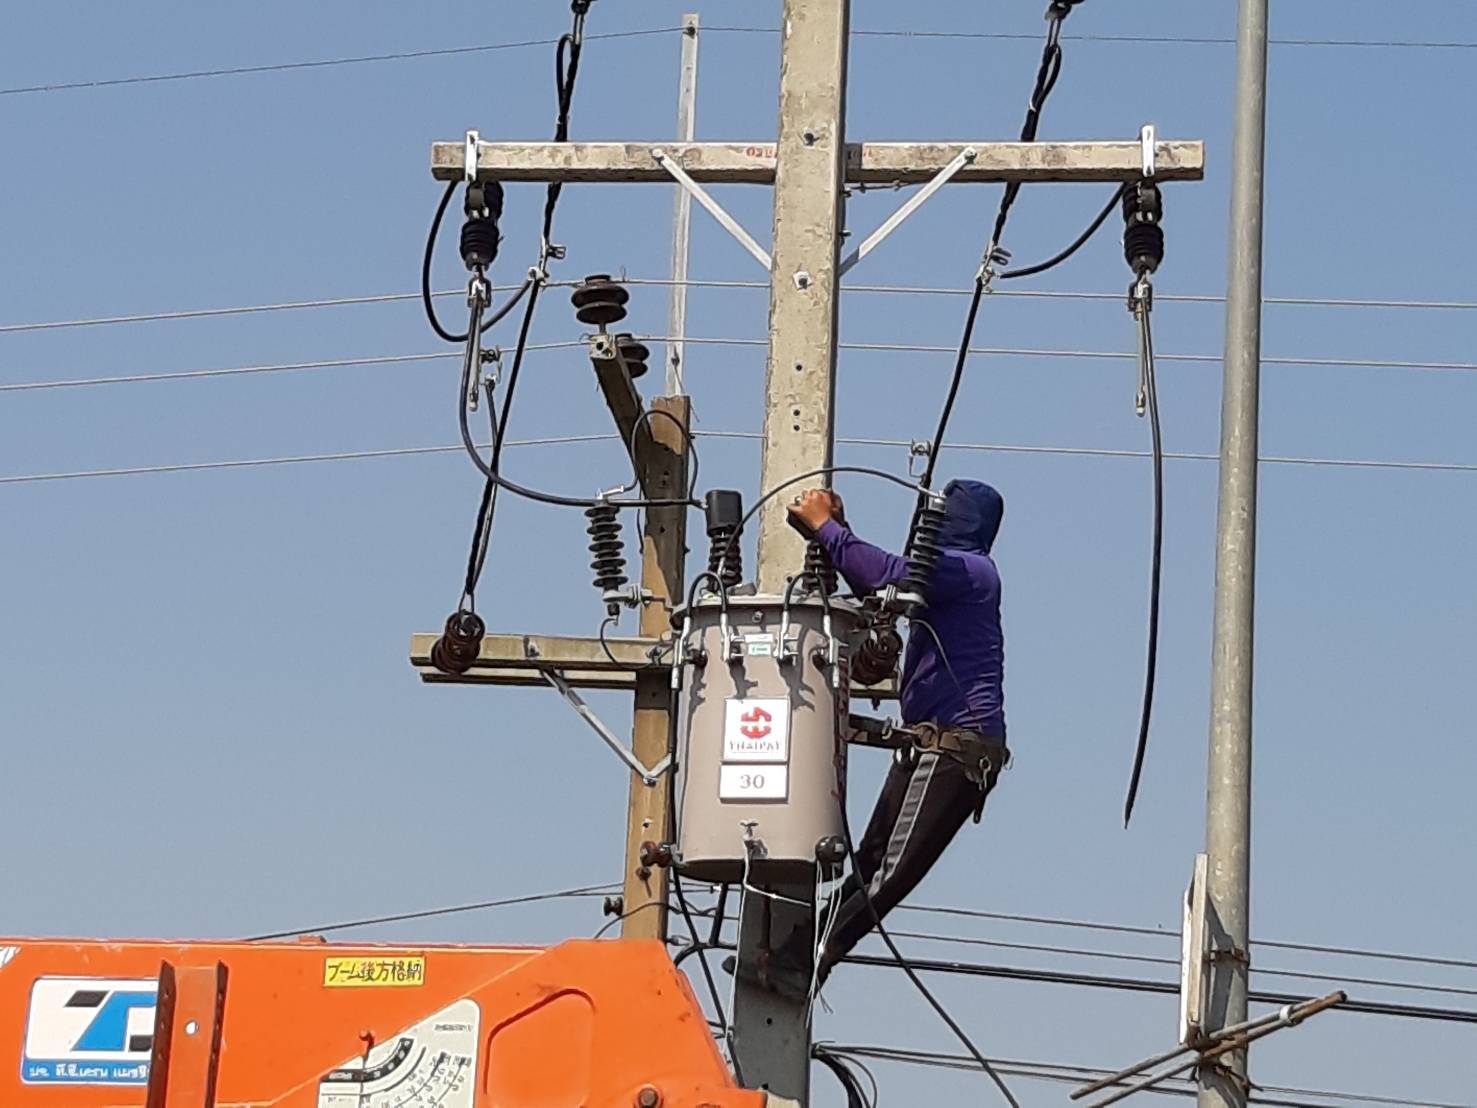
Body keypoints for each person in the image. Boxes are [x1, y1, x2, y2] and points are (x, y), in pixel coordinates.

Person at [729, 479, 1008, 1000]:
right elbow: (886, 595)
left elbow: (890, 574)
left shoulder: (971, 570)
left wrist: (828, 529)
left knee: (890, 875)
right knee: (870, 862)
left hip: (956, 750)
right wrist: (837, 531)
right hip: (930, 745)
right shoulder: (946, 579)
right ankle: (793, 960)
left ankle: (809, 961)